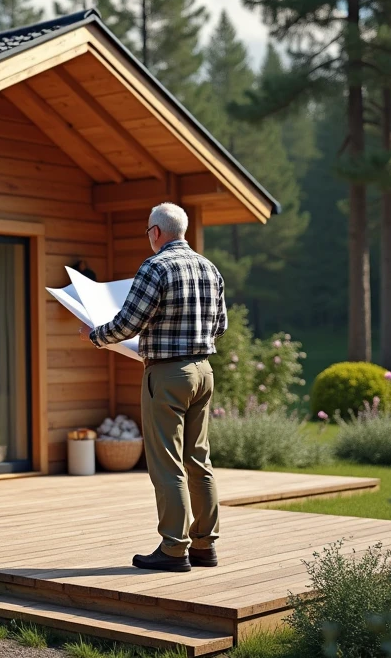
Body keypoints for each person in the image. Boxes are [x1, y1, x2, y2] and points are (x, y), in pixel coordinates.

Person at [79, 202, 226, 573]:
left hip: (167, 376)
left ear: (156, 232)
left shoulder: (155, 266)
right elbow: (219, 326)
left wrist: (94, 336)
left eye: (148, 232)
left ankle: (175, 549)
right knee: (199, 459)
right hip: (203, 372)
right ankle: (205, 545)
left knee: (166, 462)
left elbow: (128, 323)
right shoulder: (210, 268)